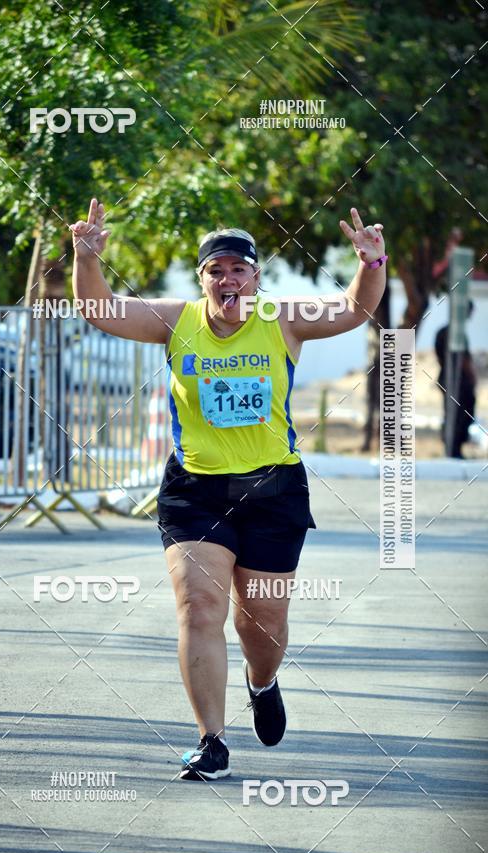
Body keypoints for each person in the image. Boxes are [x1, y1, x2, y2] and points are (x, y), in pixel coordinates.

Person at [71, 199, 387, 780]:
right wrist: (86, 256)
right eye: (216, 270)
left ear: (256, 276)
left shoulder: (282, 318)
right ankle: (211, 740)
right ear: (203, 279)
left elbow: (352, 311)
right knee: (199, 606)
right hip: (196, 492)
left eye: (238, 268)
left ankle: (262, 681)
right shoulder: (176, 320)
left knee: (259, 624)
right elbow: (102, 310)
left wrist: (371, 264)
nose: (228, 279)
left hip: (274, 492)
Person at [435, 301, 477, 458]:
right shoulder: (455, 333)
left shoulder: (444, 331)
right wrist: (472, 378)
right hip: (458, 381)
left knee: (452, 412)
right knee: (460, 413)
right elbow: (463, 360)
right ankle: (454, 448)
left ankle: (453, 448)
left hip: (447, 378)